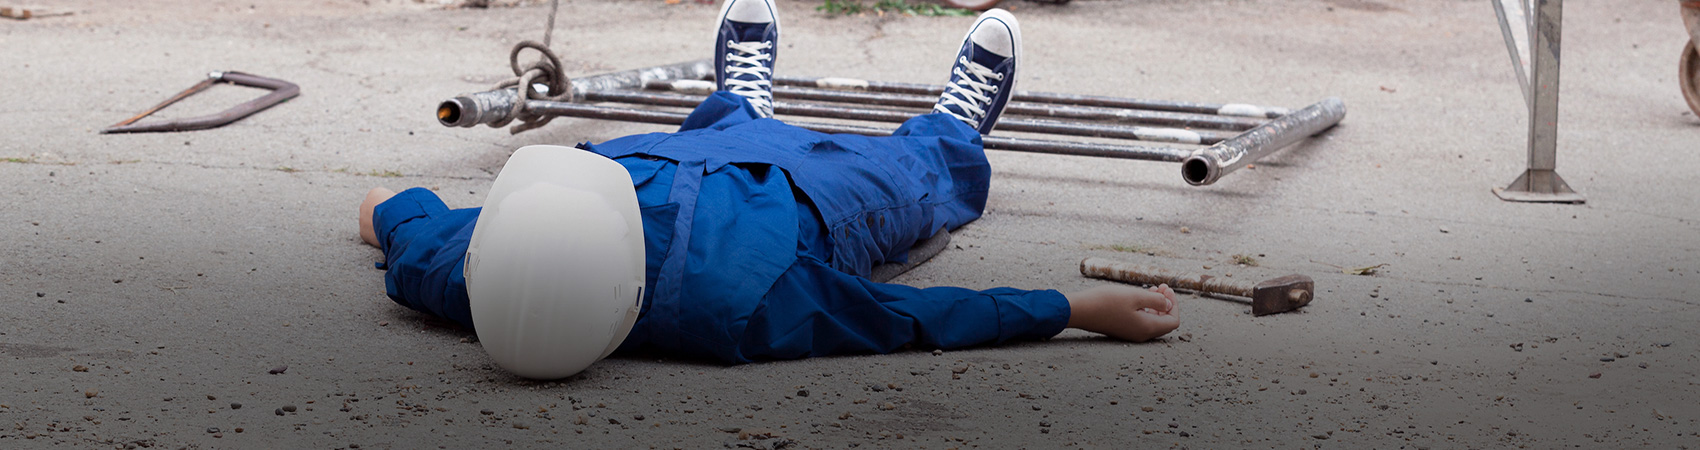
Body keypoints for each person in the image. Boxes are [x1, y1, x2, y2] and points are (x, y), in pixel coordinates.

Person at [358, 1, 1180, 379]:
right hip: (813, 197)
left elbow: (400, 218)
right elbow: (913, 319)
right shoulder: (742, 310)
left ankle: (742, 100)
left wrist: (379, 221)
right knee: (912, 180)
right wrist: (1076, 310)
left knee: (711, 129)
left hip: (651, 158)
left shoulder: (474, 275)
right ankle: (954, 130)